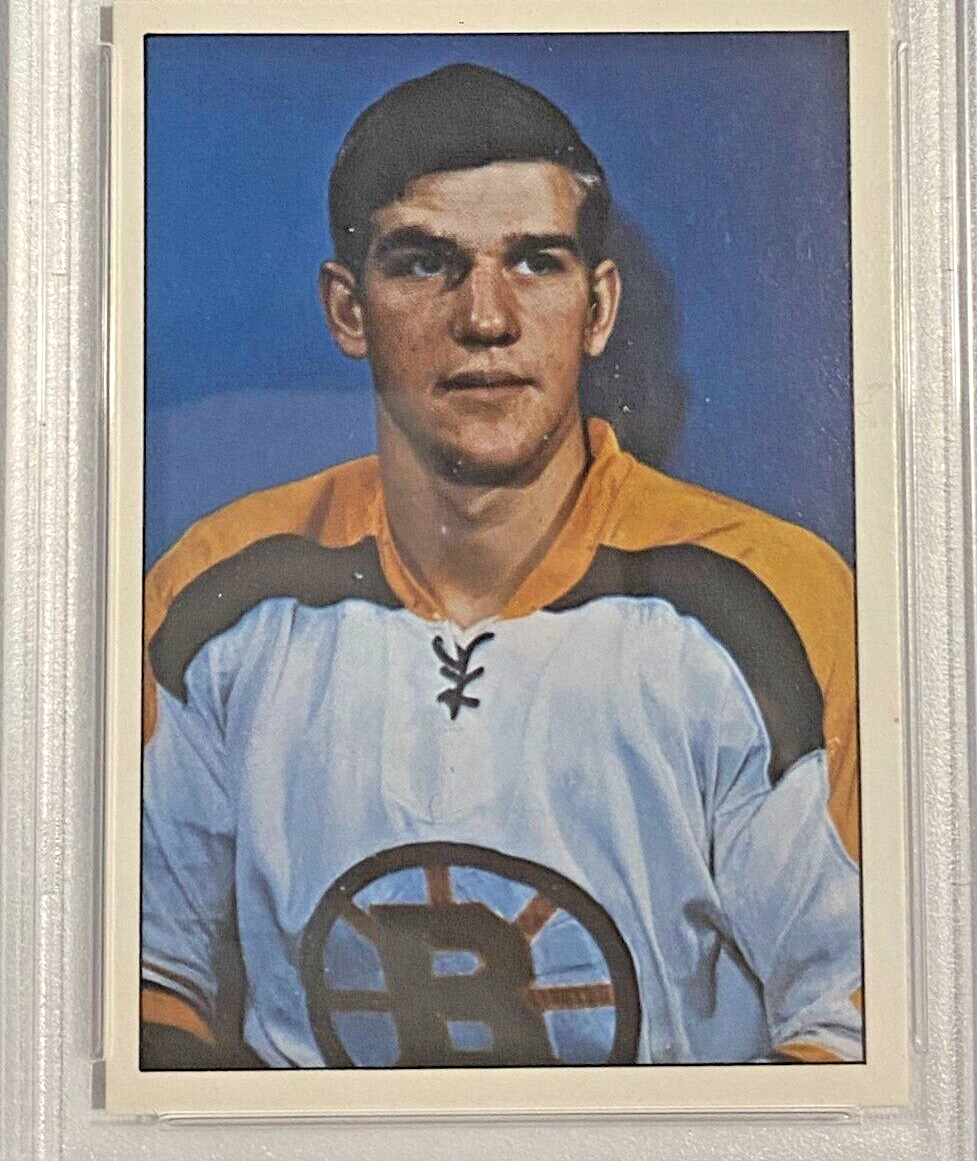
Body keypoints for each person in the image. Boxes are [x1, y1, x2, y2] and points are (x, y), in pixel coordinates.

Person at [140, 62, 862, 1073]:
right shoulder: (219, 587)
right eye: (423, 263)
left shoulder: (765, 596)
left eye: (534, 261)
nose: (486, 318)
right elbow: (139, 983)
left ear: (597, 308)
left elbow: (856, 1027)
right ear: (348, 311)